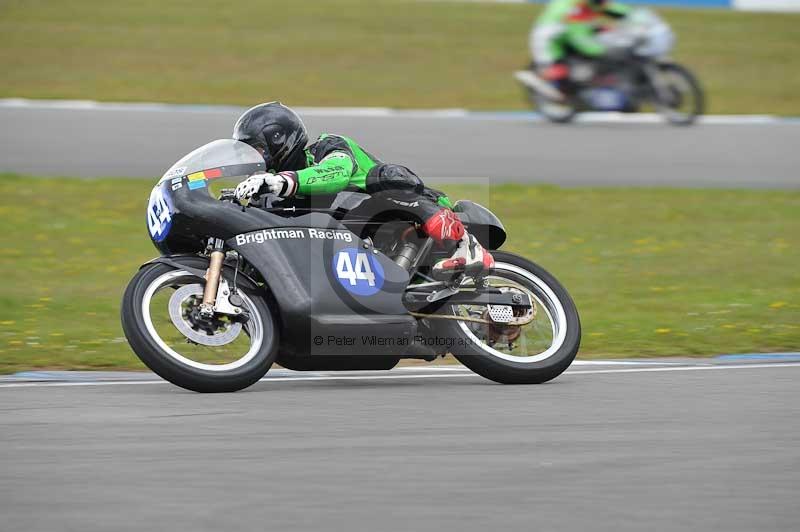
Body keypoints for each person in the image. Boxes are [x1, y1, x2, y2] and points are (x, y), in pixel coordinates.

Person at [232, 102, 494, 281]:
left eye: (257, 149)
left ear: (278, 139)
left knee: (386, 176)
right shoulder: (273, 191)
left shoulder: (327, 146)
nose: (255, 158)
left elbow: (336, 174)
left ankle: (464, 243)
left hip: (401, 213)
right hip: (355, 251)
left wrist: (282, 181)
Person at [530, 0, 631, 87]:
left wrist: (629, 15)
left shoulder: (584, 6)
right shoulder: (573, 5)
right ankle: (538, 78)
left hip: (569, 30)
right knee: (562, 69)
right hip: (552, 34)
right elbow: (603, 8)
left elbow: (610, 10)